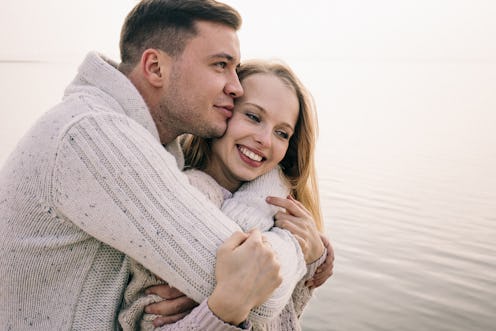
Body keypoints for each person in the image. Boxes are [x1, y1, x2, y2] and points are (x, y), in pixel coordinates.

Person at [0, 1, 328, 330]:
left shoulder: (152, 145)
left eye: (235, 67)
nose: (236, 86)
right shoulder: (96, 138)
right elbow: (260, 292)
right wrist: (302, 248)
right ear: (156, 68)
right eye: (220, 65)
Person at [118, 59, 330, 331]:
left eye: (282, 133)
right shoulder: (178, 201)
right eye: (253, 117)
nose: (265, 139)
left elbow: (286, 319)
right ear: (222, 111)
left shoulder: (279, 205)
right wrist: (218, 308)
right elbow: (145, 320)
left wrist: (314, 259)